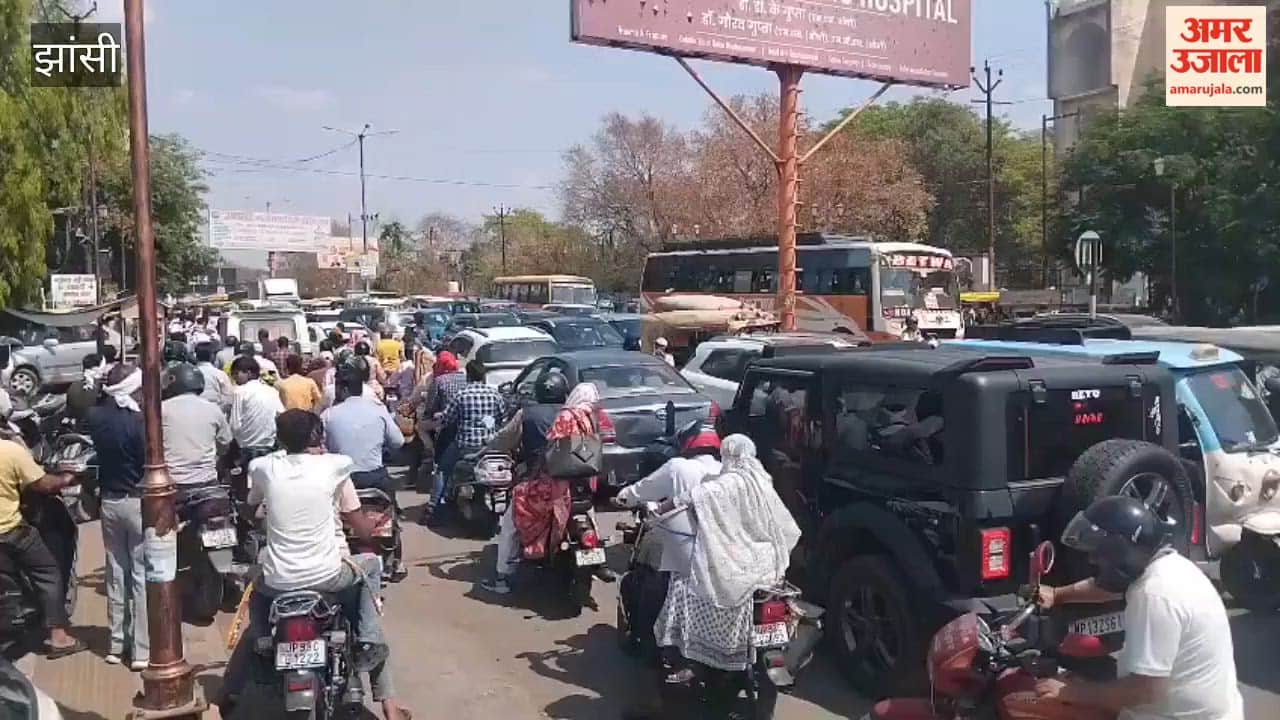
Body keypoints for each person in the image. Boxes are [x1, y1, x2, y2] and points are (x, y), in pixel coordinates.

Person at [232, 410, 411, 720]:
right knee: (369, 568)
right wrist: (375, 533)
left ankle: (262, 639)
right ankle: (373, 655)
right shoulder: (336, 468)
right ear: (317, 438)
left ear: (279, 439)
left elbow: (251, 508)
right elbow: (360, 526)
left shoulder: (264, 468)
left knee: (256, 579)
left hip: (279, 582)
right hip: (328, 576)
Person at [1033, 496, 1243, 720]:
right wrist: (1057, 595)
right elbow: (1107, 586)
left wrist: (1072, 692)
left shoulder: (1154, 596)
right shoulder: (1169, 567)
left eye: (1098, 552)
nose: (1093, 560)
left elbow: (1146, 690)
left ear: (1118, 551)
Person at [654, 434, 800, 690]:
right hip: (767, 561)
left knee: (688, 586)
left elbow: (691, 497)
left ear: (729, 455)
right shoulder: (762, 480)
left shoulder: (726, 484)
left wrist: (662, 508)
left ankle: (694, 658)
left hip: (737, 562)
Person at [477, 371, 571, 585]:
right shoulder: (573, 413)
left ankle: (502, 577)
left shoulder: (526, 414)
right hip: (573, 483)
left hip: (537, 482)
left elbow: (504, 439)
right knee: (588, 511)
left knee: (509, 526)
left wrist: (488, 446)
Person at [85, 364, 150, 670]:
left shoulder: (96, 417)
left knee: (116, 573)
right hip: (136, 503)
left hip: (109, 502)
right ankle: (140, 651)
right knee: (140, 575)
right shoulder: (138, 421)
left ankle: (115, 645)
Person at [0, 436, 82, 659]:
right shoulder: (9, 450)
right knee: (48, 572)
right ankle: (59, 637)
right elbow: (43, 484)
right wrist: (67, 478)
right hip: (10, 531)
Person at [430, 360, 505, 523]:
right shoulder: (495, 395)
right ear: (484, 376)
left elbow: (447, 419)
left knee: (442, 469)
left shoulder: (462, 394)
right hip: (489, 447)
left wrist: (439, 417)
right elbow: (501, 419)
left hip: (465, 446)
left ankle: (435, 509)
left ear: (468, 376)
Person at [161, 364, 231, 508]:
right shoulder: (213, 409)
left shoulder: (161, 409)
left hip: (171, 484)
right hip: (207, 483)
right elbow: (225, 443)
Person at [228, 356, 285, 480]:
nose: (234, 378)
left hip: (246, 447)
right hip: (269, 446)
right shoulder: (271, 391)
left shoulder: (239, 391)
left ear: (248, 373)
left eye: (236, 374)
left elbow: (235, 425)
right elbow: (281, 415)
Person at [194, 342, 234, 415]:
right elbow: (229, 398)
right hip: (215, 413)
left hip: (193, 412)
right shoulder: (220, 374)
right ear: (212, 356)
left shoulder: (191, 373)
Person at [66, 354, 102, 424]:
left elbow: (69, 410)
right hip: (95, 426)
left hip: (79, 424)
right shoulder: (101, 387)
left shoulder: (73, 385)